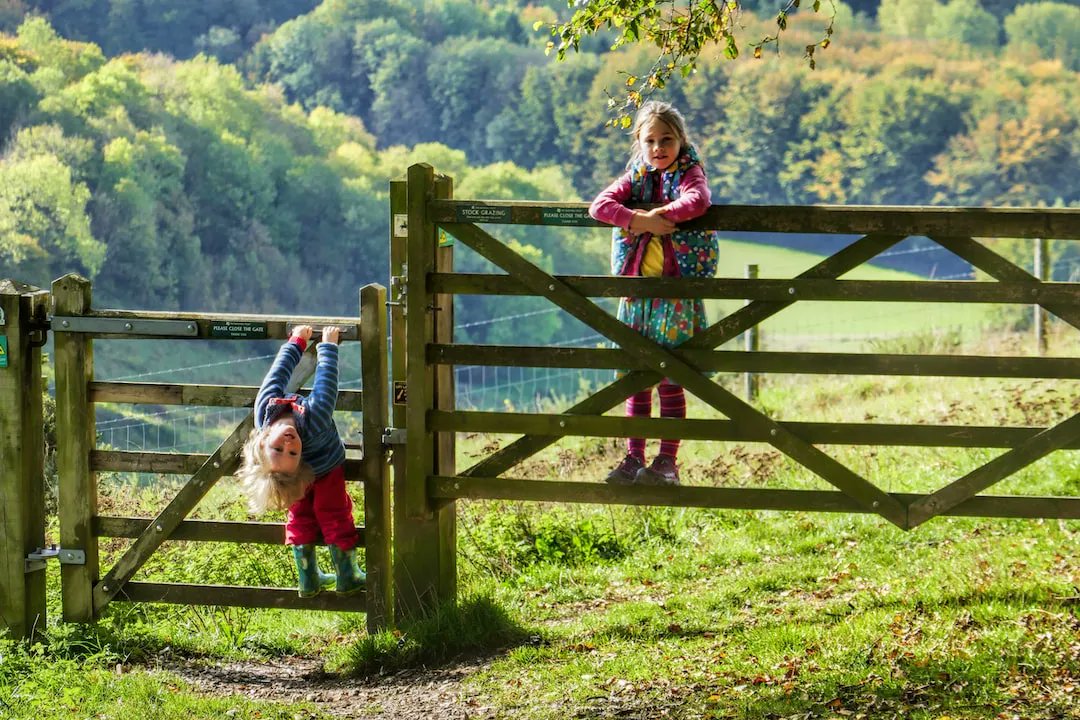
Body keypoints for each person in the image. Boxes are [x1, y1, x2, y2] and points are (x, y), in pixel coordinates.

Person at [588, 100, 719, 486]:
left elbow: (699, 201)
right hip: (636, 294)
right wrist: (639, 219)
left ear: (681, 140)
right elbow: (600, 206)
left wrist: (662, 216)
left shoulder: (689, 173)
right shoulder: (636, 176)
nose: (658, 148)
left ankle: (667, 462)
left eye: (667, 140)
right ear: (639, 143)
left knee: (670, 378)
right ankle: (632, 458)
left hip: (675, 295)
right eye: (650, 141)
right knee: (636, 376)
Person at [236, 324, 366, 597]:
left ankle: (310, 579)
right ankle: (346, 574)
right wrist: (328, 346)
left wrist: (296, 342)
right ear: (298, 464)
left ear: (263, 438)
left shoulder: (264, 410)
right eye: (292, 453)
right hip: (328, 467)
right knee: (332, 514)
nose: (289, 444)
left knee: (303, 515)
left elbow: (278, 373)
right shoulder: (315, 417)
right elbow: (326, 385)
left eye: (279, 449)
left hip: (305, 470)